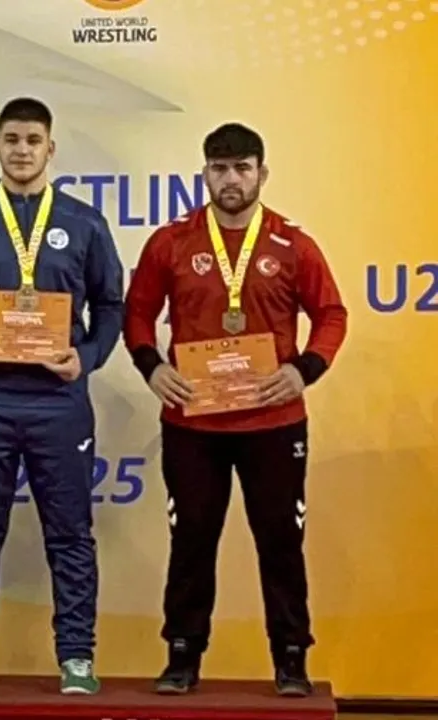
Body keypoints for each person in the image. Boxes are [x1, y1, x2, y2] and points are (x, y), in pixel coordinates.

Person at [123, 123, 347, 697]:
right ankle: (182, 655)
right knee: (192, 540)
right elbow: (138, 313)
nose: (231, 179)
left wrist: (304, 370)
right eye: (220, 168)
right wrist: (152, 368)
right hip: (192, 423)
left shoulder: (291, 244)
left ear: (261, 174)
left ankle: (291, 659)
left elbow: (331, 314)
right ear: (204, 174)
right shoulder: (171, 242)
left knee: (281, 541)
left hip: (274, 423)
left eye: (242, 168)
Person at [0, 98, 124, 695]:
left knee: (70, 532)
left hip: (59, 400)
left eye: (33, 140)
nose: (22, 150)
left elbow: (111, 305)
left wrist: (87, 357)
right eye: (11, 139)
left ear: (50, 148)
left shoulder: (84, 222)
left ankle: (77, 657)